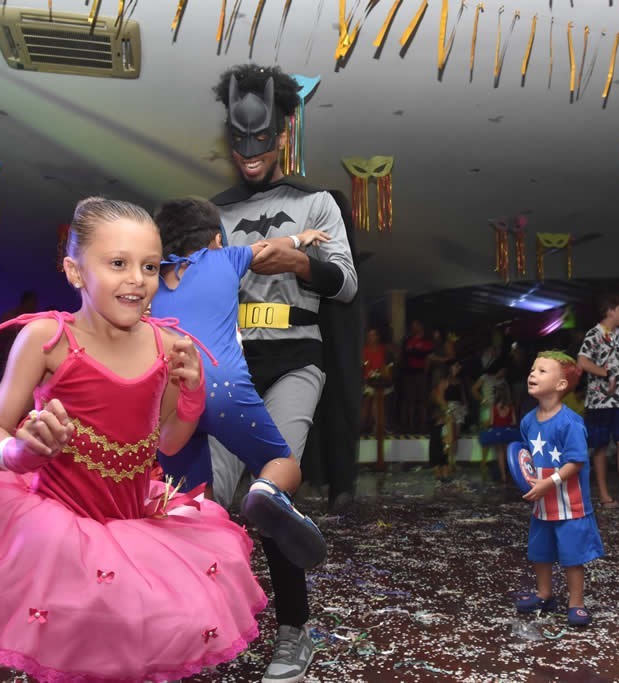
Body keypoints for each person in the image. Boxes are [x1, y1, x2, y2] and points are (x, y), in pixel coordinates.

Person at [0, 197, 267, 682]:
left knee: (120, 647)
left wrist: (191, 397)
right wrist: (17, 452)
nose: (137, 279)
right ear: (75, 271)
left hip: (133, 527)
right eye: (118, 263)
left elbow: (167, 444)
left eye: (149, 266)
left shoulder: (169, 344)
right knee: (29, 647)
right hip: (51, 526)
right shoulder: (47, 337)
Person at [206, 64, 359, 683]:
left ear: (282, 135)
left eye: (262, 141)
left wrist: (298, 259)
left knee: (270, 495)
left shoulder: (315, 202)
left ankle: (295, 632)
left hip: (296, 356)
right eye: (240, 142)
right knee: (206, 501)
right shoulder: (212, 214)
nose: (250, 155)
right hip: (230, 362)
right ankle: (197, 616)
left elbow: (344, 284)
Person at [149, 196, 328, 569]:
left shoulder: (151, 277)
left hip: (171, 396)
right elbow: (267, 249)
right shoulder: (226, 258)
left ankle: (199, 567)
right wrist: (302, 238)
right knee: (282, 462)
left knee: (190, 498)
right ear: (216, 239)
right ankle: (264, 490)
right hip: (223, 387)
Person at [514, 352, 603, 627]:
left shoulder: (570, 422)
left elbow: (576, 461)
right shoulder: (528, 421)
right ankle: (544, 594)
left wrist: (548, 484)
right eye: (532, 369)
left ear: (562, 384)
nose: (532, 374)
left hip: (570, 504)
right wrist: (525, 478)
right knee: (540, 552)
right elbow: (526, 456)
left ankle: (576, 603)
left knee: (572, 556)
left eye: (542, 371)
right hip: (542, 504)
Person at [577, 294, 619, 509]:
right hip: (600, 401)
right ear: (609, 311)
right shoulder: (593, 334)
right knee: (600, 446)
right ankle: (605, 494)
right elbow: (582, 361)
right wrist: (605, 373)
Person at [479, 382, 519, 481]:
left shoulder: (494, 407)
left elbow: (492, 422)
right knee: (507, 453)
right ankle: (511, 474)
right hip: (508, 432)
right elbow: (514, 422)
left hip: (497, 432)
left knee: (500, 453)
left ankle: (503, 475)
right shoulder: (510, 407)